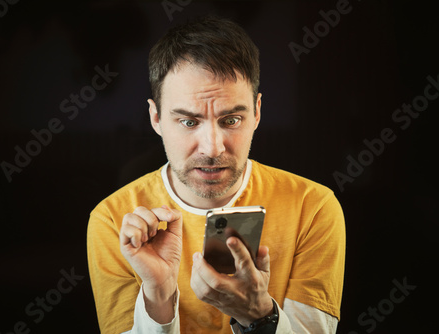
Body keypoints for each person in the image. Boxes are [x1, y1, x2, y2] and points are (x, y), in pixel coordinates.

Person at [87, 15, 345, 334]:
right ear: (156, 118)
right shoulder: (113, 221)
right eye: (189, 122)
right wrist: (158, 297)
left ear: (257, 113)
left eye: (231, 120)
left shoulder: (313, 207)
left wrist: (260, 316)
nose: (212, 148)